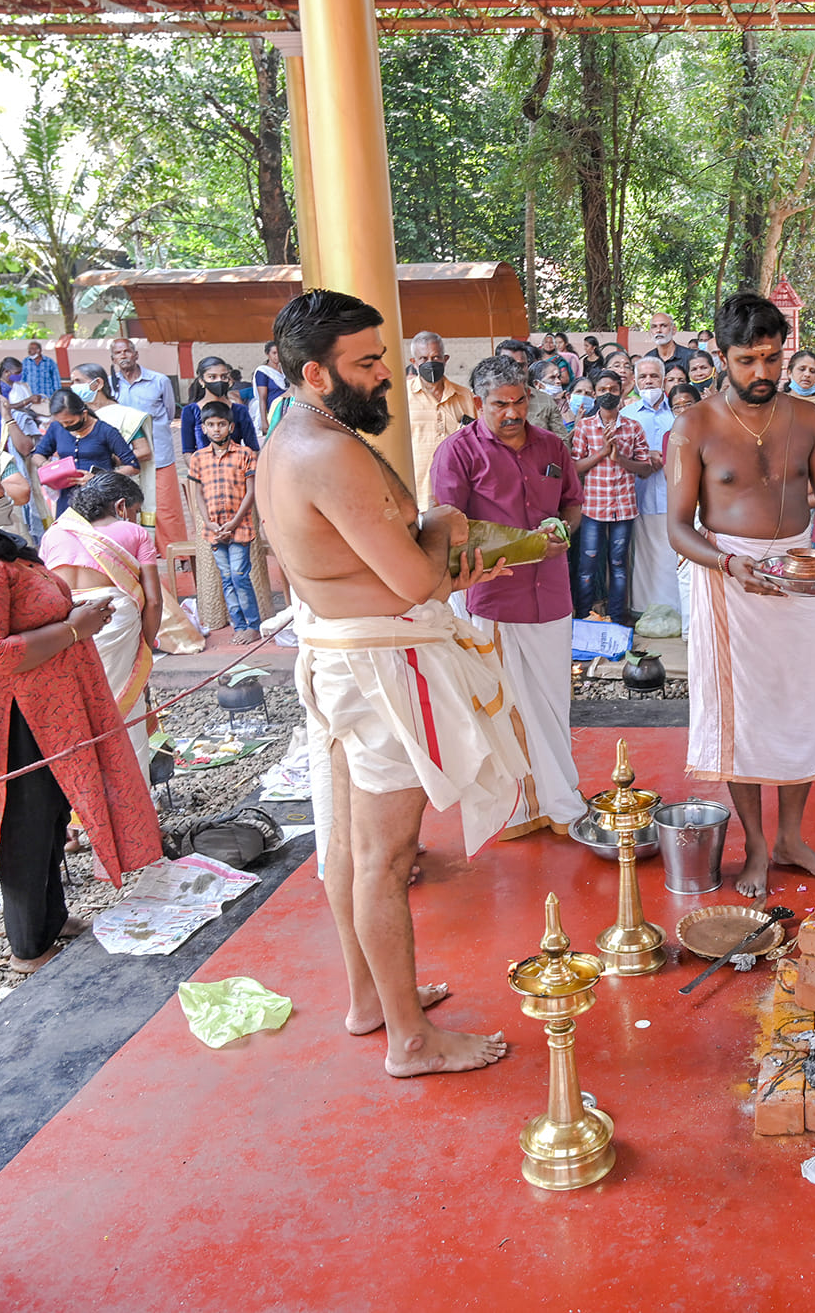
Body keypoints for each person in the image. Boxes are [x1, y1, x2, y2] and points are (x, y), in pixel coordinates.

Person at [258, 288, 524, 1078]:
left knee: (348, 844)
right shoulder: (326, 451)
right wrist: (447, 520)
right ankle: (410, 1040)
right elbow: (414, 579)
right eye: (368, 362)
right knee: (383, 854)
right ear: (315, 371)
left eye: (383, 357)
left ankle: (371, 1000)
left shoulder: (297, 433)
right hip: (375, 668)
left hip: (347, 655)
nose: (386, 374)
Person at [0, 446, 159, 973]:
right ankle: (29, 949)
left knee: (51, 816)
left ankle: (50, 917)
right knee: (25, 828)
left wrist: (74, 617)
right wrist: (72, 629)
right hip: (14, 722)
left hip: (44, 709)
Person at [669, 292, 815, 897]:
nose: (762, 373)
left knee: (799, 705)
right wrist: (729, 564)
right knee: (740, 717)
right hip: (728, 581)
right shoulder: (693, 427)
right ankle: (756, 847)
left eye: (772, 359)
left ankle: (792, 837)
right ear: (721, 356)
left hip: (798, 573)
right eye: (747, 360)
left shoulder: (808, 419)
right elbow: (676, 527)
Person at [430, 355, 588, 840]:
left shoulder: (551, 446)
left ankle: (559, 798)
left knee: (554, 703)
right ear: (480, 403)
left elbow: (573, 504)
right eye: (501, 404)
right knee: (507, 705)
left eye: (520, 401)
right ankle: (527, 808)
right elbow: (447, 523)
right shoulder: (456, 452)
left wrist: (563, 530)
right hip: (494, 596)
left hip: (553, 594)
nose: (513, 412)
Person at [38, 470, 162, 772]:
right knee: (124, 710)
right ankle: (134, 806)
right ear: (121, 507)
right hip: (116, 622)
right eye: (133, 512)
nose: (133, 519)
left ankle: (83, 808)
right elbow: (154, 600)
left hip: (66, 628)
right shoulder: (134, 533)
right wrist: (144, 647)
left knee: (78, 711)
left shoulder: (54, 533)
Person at [570, 374, 654, 625]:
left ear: (621, 392)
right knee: (588, 564)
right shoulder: (584, 427)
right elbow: (575, 468)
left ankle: (617, 617)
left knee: (618, 565)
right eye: (602, 388)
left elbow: (646, 467)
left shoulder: (632, 426)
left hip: (624, 508)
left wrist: (620, 460)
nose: (608, 392)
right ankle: (585, 617)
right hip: (593, 507)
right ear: (595, 393)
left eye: (613, 388)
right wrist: (603, 452)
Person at [186, 402, 263, 643]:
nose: (216, 429)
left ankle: (253, 624)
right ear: (204, 429)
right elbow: (196, 493)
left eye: (221, 424)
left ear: (231, 426)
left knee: (240, 576)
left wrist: (234, 522)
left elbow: (250, 492)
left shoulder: (245, 454)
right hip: (214, 530)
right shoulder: (198, 458)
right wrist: (208, 523)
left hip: (239, 528)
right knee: (227, 577)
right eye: (211, 425)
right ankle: (239, 625)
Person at [107, 338, 180, 549]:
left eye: (127, 351)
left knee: (166, 506)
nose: (123, 355)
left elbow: (168, 413)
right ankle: (138, 550)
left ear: (136, 354)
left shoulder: (159, 381)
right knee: (127, 506)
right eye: (118, 353)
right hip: (125, 457)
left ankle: (175, 553)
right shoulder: (110, 386)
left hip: (159, 453)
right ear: (113, 359)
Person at [625, 355, 679, 618]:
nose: (649, 381)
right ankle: (643, 610)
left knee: (673, 558)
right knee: (645, 560)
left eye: (654, 376)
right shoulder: (625, 415)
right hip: (639, 497)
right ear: (635, 381)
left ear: (664, 379)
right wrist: (645, 459)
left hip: (676, 498)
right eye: (643, 377)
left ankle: (678, 611)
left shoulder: (678, 412)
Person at [32, 389, 139, 517]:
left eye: (70, 422)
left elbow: (133, 466)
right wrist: (47, 466)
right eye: (62, 423)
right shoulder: (56, 428)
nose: (65, 426)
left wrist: (98, 477)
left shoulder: (106, 431)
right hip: (67, 498)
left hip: (101, 497)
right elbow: (37, 455)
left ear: (84, 413)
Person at [404, 330, 475, 509]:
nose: (430, 363)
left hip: (458, 490)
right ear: (414, 362)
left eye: (436, 358)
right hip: (416, 493)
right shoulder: (401, 397)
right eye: (423, 359)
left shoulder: (464, 395)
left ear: (445, 359)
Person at [179, 356, 260, 455]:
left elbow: (253, 448)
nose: (219, 381)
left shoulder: (239, 410)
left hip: (237, 467)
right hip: (203, 468)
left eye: (223, 377)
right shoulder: (190, 411)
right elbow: (188, 451)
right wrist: (199, 468)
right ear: (201, 381)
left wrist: (247, 467)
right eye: (212, 377)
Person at [253, 340, 288, 437]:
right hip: (272, 411)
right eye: (274, 353)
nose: (277, 356)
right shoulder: (263, 372)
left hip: (286, 409)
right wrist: (264, 421)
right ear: (267, 354)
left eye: (279, 353)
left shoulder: (285, 370)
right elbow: (262, 398)